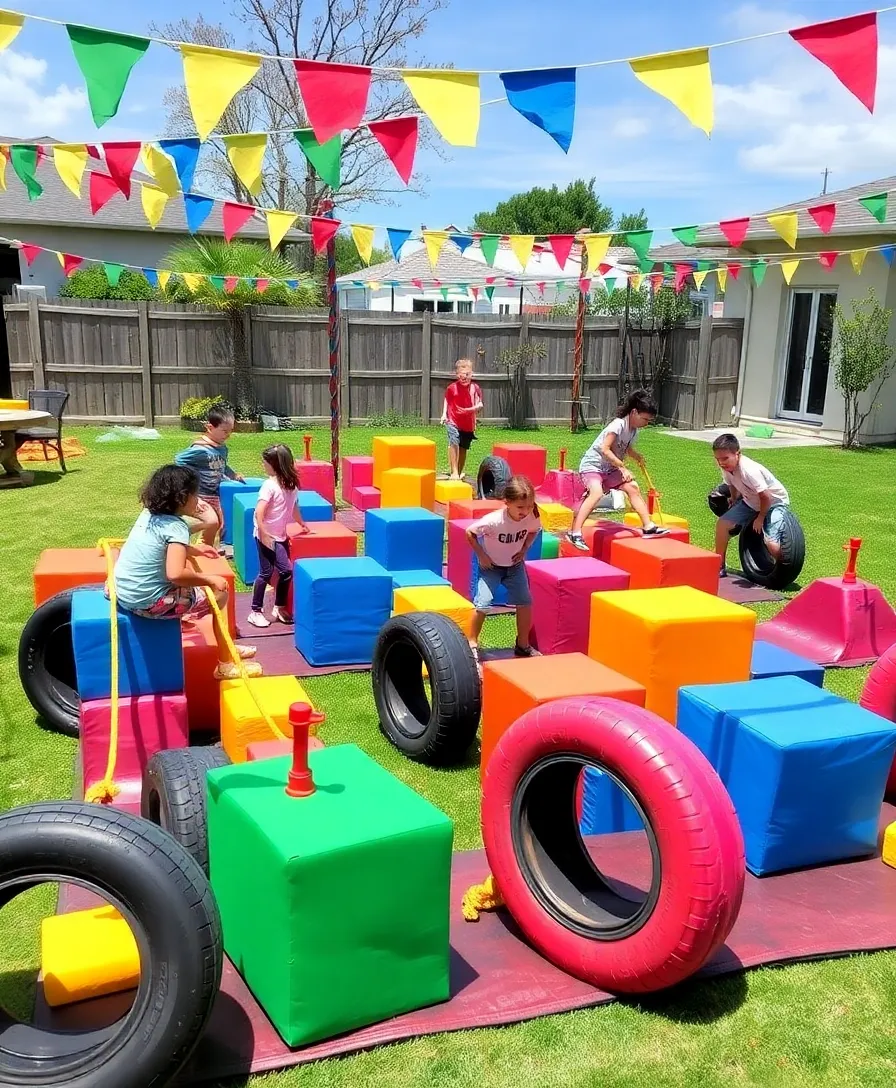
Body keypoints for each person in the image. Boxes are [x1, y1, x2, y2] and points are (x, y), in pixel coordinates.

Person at [112, 464, 261, 679]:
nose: (198, 499)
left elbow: (164, 543)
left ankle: (225, 646)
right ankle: (225, 663)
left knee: (200, 583)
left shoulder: (148, 515)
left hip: (125, 593)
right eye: (195, 494)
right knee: (221, 592)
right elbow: (175, 574)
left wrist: (196, 549)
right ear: (182, 498)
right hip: (147, 604)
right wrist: (209, 579)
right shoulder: (176, 527)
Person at [566, 389, 668, 550]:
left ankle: (648, 527)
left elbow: (625, 448)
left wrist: (637, 456)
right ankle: (575, 532)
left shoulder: (633, 431)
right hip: (593, 466)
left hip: (610, 469)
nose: (646, 423)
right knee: (596, 493)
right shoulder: (618, 425)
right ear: (634, 412)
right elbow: (605, 449)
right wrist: (623, 468)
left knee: (633, 487)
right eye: (645, 419)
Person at [465, 475, 542, 667]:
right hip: (492, 568)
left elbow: (534, 530)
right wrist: (482, 555)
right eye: (520, 508)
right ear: (507, 503)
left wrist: (524, 550)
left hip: (514, 566)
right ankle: (471, 643)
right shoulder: (493, 521)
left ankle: (522, 644)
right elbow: (470, 532)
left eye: (529, 506)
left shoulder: (532, 515)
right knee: (483, 604)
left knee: (525, 602)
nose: (525, 512)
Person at [246, 444, 309, 629]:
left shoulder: (290, 485)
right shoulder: (269, 485)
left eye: (265, 462)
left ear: (276, 464)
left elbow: (294, 507)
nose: (263, 465)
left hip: (278, 535)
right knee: (268, 572)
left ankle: (278, 607)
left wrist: (301, 523)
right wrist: (263, 534)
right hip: (266, 535)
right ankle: (255, 611)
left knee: (285, 572)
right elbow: (259, 512)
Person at [711, 433, 790, 577]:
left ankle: (785, 568)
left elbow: (765, 497)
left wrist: (760, 518)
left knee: (771, 544)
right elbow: (731, 484)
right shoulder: (726, 467)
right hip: (751, 501)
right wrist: (734, 500)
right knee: (722, 524)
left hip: (774, 503)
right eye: (718, 459)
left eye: (725, 458)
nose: (721, 463)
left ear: (737, 454)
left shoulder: (749, 470)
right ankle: (719, 564)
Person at [175, 404, 244, 551]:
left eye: (230, 431)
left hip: (215, 492)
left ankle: (208, 548)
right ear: (210, 427)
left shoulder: (222, 447)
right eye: (224, 431)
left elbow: (222, 465)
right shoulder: (200, 449)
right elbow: (179, 460)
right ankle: (180, 534)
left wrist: (233, 475)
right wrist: (190, 482)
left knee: (219, 522)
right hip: (200, 493)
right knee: (211, 520)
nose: (228, 435)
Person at [440, 358, 483, 481]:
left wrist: (471, 411)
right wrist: (444, 414)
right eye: (462, 375)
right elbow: (447, 400)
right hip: (453, 421)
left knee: (464, 447)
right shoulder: (452, 388)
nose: (465, 378)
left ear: (471, 374)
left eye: (468, 375)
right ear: (457, 375)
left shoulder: (475, 388)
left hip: (467, 424)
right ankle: (454, 471)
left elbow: (479, 405)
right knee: (454, 442)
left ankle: (458, 472)